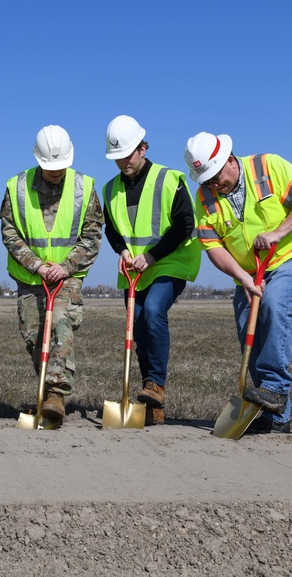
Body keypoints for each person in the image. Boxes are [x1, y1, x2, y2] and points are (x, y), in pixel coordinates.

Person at [184, 131, 292, 434]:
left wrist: (278, 232)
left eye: (215, 177)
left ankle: (275, 387)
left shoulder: (267, 166)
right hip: (250, 272)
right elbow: (213, 245)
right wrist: (243, 278)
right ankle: (275, 417)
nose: (212, 185)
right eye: (205, 180)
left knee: (274, 303)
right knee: (248, 324)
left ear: (230, 161)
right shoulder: (205, 197)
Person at [0, 125, 103, 424]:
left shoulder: (84, 187)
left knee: (60, 329)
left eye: (60, 167)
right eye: (50, 167)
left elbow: (92, 234)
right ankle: (47, 391)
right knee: (34, 337)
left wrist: (66, 267)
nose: (55, 172)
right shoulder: (17, 187)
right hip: (30, 277)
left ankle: (56, 394)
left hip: (67, 275)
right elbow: (9, 232)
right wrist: (36, 264)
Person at [102, 115, 200, 426]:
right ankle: (151, 399)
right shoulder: (110, 189)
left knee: (155, 311)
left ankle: (155, 384)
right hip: (134, 270)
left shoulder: (170, 179)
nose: (122, 163)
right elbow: (112, 230)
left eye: (127, 155)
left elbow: (186, 224)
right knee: (138, 326)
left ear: (143, 148)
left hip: (170, 262)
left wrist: (154, 256)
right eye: (117, 158)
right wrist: (123, 250)